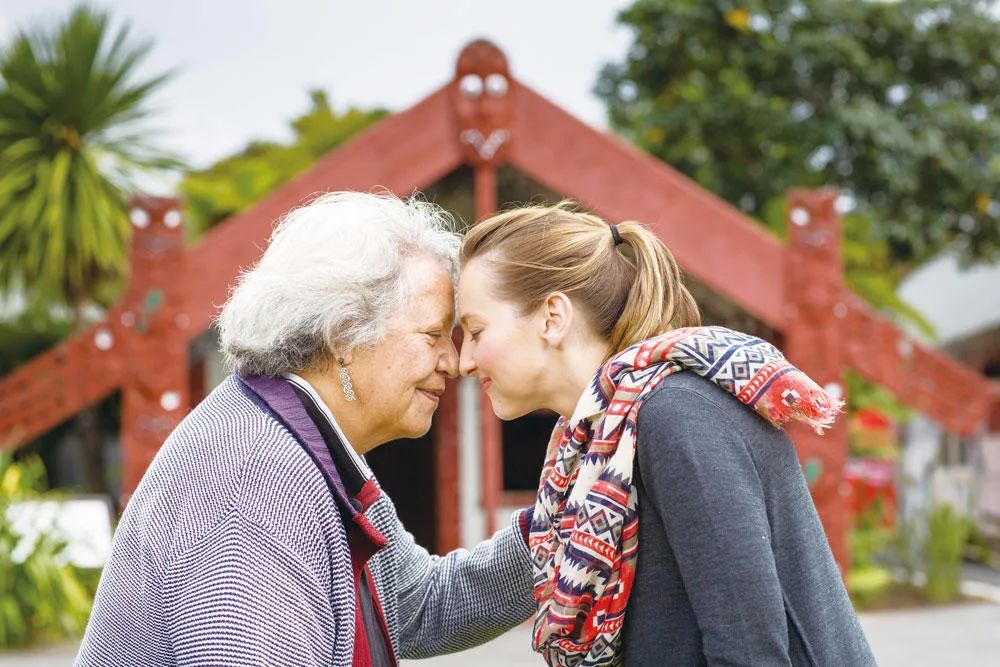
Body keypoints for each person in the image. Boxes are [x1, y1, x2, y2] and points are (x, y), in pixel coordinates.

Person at [77, 192, 535, 666]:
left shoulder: (298, 439)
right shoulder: (253, 483)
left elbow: (419, 604)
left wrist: (561, 521)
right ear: (344, 337)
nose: (453, 362)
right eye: (433, 335)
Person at [457, 202, 876, 666]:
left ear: (552, 318)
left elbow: (750, 651)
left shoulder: (677, 414)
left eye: (475, 331)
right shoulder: (596, 445)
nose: (464, 362)